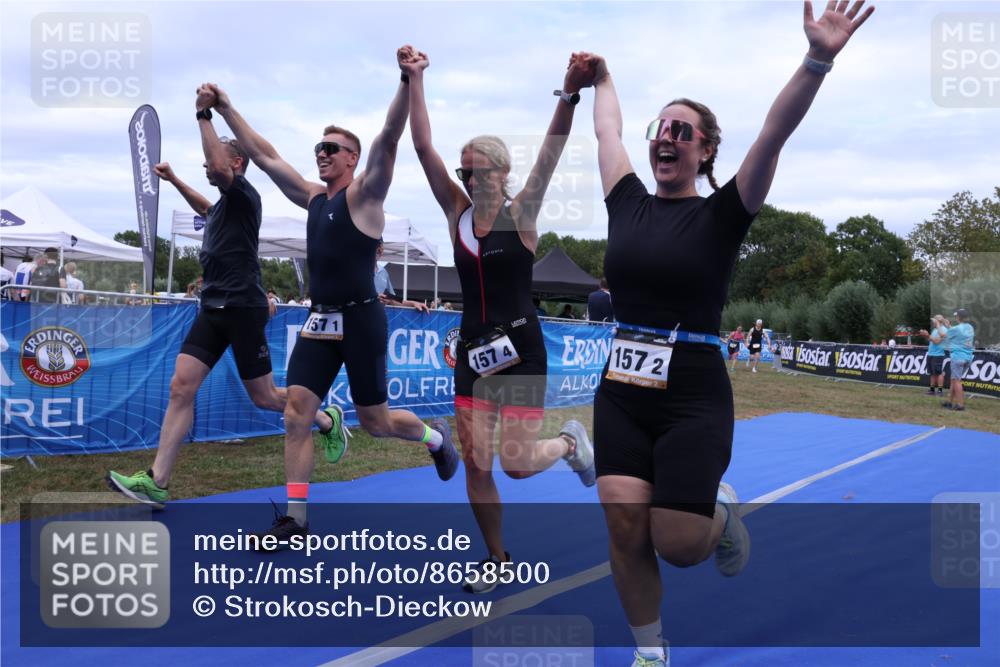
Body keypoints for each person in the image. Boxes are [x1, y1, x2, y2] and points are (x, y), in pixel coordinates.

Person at [578, 2, 874, 663]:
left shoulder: (724, 213)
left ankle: (721, 509)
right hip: (622, 389)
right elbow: (606, 130)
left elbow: (775, 131)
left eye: (683, 131)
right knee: (624, 522)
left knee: (680, 545)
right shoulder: (625, 199)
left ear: (706, 149)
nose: (667, 138)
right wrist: (601, 77)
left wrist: (817, 58)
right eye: (661, 128)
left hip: (692, 394)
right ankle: (650, 652)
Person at [208, 52, 460, 544]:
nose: (321, 154)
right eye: (318, 147)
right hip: (320, 322)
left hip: (361, 322)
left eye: (331, 148)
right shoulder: (312, 197)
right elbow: (264, 155)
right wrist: (225, 107)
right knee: (296, 414)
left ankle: (435, 438)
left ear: (352, 159)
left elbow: (389, 138)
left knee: (376, 422)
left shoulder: (365, 195)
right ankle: (296, 520)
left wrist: (407, 80)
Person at [405, 44, 595, 592]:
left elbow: (552, 151)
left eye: (479, 172)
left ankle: (568, 444)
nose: (470, 180)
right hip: (472, 355)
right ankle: (496, 558)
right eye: (464, 172)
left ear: (503, 172)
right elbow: (422, 147)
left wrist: (569, 92)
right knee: (477, 464)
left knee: (516, 464)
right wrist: (415, 79)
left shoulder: (522, 212)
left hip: (522, 352)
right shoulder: (456, 214)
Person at [107, 85, 341, 509]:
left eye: (217, 161)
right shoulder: (222, 208)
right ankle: (157, 481)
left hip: (242, 307)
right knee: (181, 387)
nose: (208, 166)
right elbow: (205, 207)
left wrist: (204, 116)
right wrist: (175, 179)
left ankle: (325, 418)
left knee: (265, 397)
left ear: (237, 164)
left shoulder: (245, 196)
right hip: (211, 307)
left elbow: (216, 169)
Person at [373, 238, 430, 312]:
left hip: (377, 316)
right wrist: (372, 298)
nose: (379, 250)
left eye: (381, 247)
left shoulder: (383, 272)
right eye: (375, 247)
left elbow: (392, 299)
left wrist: (413, 303)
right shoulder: (358, 270)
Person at [941, 309, 975, 411]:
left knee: (956, 381)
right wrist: (949, 327)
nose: (956, 317)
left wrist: (939, 325)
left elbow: (944, 335)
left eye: (956, 316)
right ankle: (949, 402)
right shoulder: (970, 327)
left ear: (959, 317)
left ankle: (960, 405)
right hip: (968, 357)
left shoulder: (956, 329)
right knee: (954, 380)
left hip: (958, 357)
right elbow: (957, 331)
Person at [919, 315, 948, 396]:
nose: (933, 322)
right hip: (931, 353)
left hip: (938, 354)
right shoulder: (935, 330)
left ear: (938, 321)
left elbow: (937, 342)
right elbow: (931, 340)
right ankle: (932, 390)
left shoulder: (943, 330)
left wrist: (928, 335)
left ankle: (940, 391)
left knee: (939, 373)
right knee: (932, 373)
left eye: (934, 321)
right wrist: (925, 335)